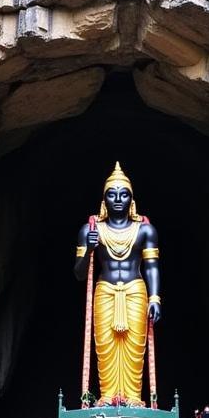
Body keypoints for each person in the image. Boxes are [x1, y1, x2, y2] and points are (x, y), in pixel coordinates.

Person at [74, 164, 160, 405]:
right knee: (106, 345)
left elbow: (152, 266)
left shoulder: (145, 230)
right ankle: (107, 396)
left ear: (132, 199)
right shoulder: (90, 230)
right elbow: (79, 274)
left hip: (135, 289)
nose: (118, 199)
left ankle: (133, 397)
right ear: (104, 199)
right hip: (105, 290)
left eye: (124, 194)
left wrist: (155, 298)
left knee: (134, 346)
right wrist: (90, 249)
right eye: (112, 194)